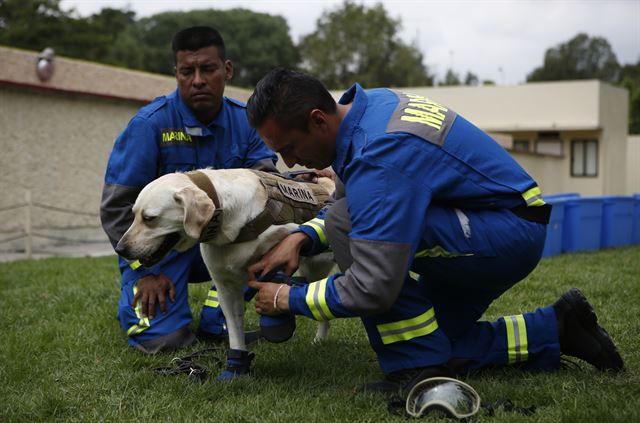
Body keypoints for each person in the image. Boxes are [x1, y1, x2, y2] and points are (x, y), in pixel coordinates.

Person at [245, 68, 624, 394]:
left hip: (508, 231)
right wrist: (303, 237)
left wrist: (286, 299)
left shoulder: (380, 152)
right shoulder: (365, 111)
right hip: (495, 217)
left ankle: (415, 367)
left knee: (350, 225)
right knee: (439, 342)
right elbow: (359, 198)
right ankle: (557, 327)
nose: (290, 162)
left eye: (291, 148)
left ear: (317, 120)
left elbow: (372, 285)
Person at [100, 26, 278, 354]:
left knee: (273, 237)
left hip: (225, 243)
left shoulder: (247, 123)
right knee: (162, 341)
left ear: (227, 70)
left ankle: (218, 317)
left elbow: (268, 189)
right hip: (164, 248)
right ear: (177, 74)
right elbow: (116, 208)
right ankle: (150, 305)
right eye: (187, 71)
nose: (197, 80)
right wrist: (145, 270)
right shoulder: (149, 125)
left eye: (207, 69)